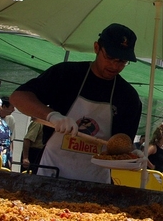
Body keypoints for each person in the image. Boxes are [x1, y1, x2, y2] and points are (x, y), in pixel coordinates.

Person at [10, 23, 142, 183]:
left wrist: (133, 157)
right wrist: (52, 115)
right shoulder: (66, 75)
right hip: (51, 174)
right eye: (109, 57)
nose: (115, 65)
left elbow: (122, 146)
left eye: (122, 61)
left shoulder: (128, 97)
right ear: (96, 47)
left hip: (95, 182)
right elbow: (18, 97)